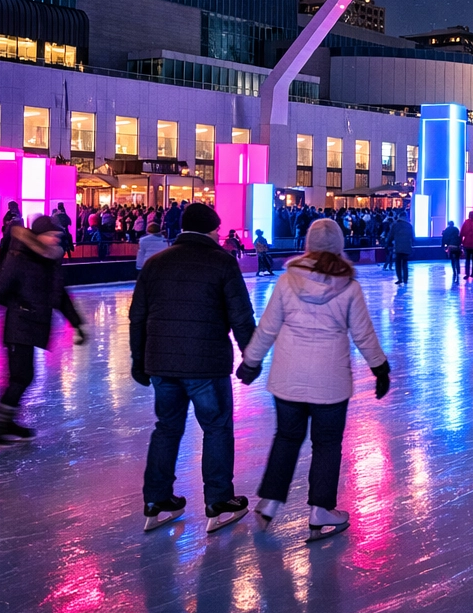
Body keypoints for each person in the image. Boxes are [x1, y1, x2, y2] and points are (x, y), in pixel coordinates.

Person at [237, 219, 391, 542]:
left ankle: (270, 501)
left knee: (287, 438)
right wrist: (380, 368)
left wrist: (251, 362)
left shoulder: (287, 281)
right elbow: (363, 334)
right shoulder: (348, 286)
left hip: (288, 380)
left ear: (307, 244)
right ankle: (321, 511)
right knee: (327, 444)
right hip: (330, 383)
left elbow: (267, 328)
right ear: (338, 245)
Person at [129, 202, 257, 533]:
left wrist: (138, 359)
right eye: (216, 229)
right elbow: (241, 317)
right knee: (216, 428)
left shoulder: (156, 264)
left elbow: (138, 316)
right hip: (206, 365)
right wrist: (251, 356)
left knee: (166, 428)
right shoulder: (222, 263)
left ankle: (157, 501)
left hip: (161, 363)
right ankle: (218, 501)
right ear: (211, 229)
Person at [0, 216, 86, 443]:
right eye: (52, 234)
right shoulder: (19, 258)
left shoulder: (49, 261)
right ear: (39, 235)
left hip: (34, 324)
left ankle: (2, 421)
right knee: (21, 377)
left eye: (58, 236)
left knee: (22, 377)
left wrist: (78, 323)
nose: (56, 239)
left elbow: (60, 296)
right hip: (19, 324)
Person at [389, 211, 414, 285]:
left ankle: (400, 279)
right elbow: (412, 237)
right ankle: (405, 279)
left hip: (398, 248)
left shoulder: (395, 225)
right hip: (407, 247)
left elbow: (391, 236)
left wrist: (388, 243)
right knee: (405, 264)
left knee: (398, 264)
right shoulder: (409, 226)